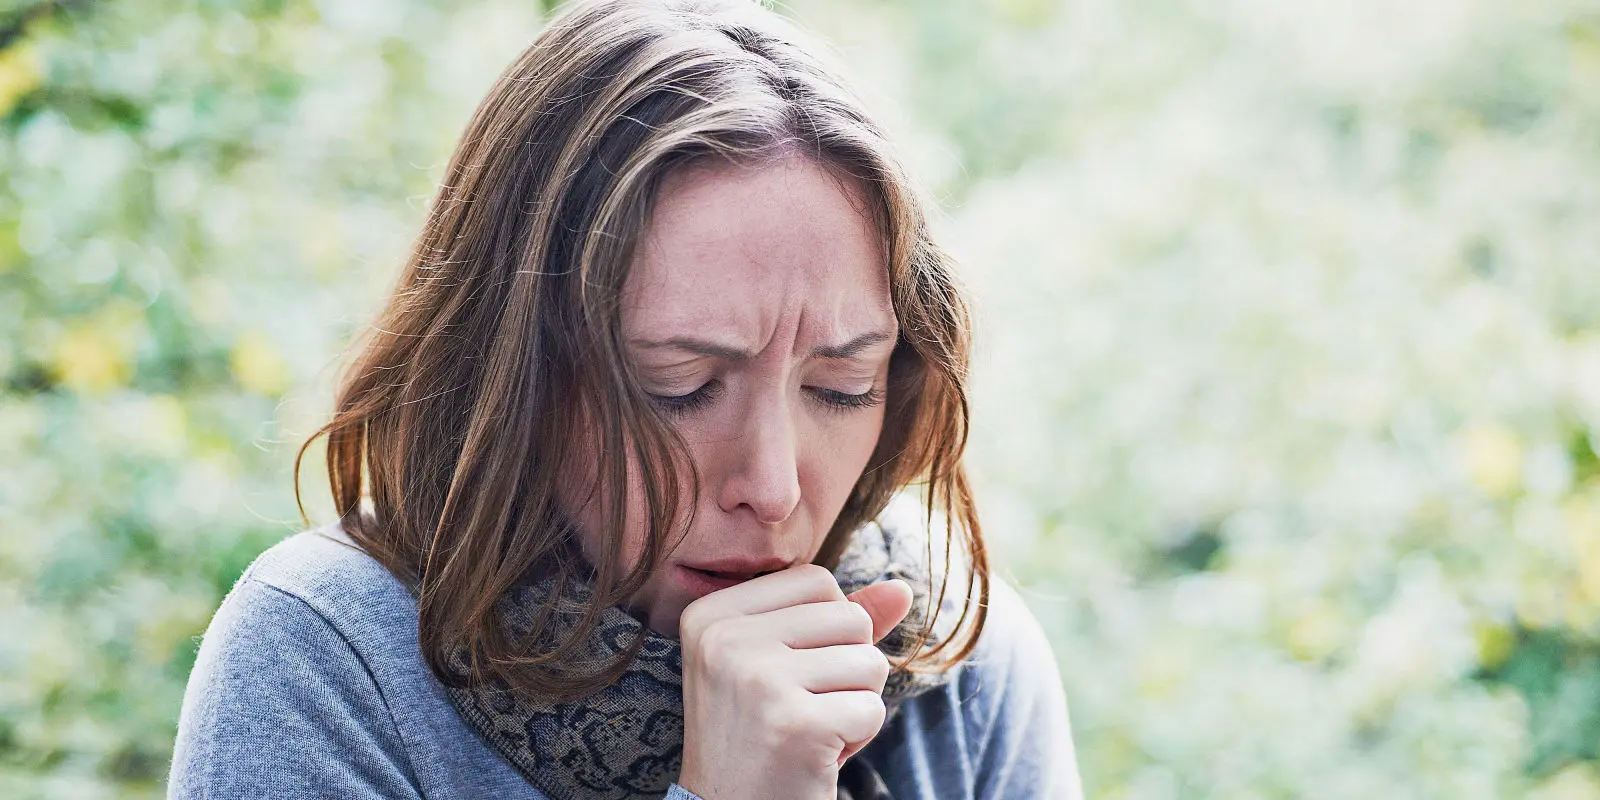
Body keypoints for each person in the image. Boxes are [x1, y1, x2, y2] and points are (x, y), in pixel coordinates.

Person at [166, 1, 1083, 797]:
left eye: (842, 389)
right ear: (515, 373)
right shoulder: (328, 659)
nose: (772, 486)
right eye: (678, 390)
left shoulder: (953, 657)